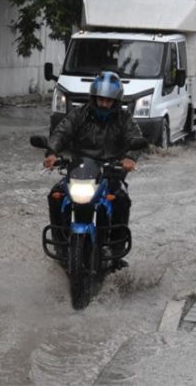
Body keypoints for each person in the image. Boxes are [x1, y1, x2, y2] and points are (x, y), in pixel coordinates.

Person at [43, 71, 144, 269]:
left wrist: (130, 158)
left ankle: (115, 251)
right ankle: (61, 245)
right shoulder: (78, 115)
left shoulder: (124, 119)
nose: (103, 104)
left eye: (108, 100)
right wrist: (52, 152)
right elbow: (61, 131)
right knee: (55, 194)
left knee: (121, 199)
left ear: (116, 101)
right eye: (100, 99)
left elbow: (134, 137)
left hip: (110, 172)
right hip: (80, 170)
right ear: (93, 97)